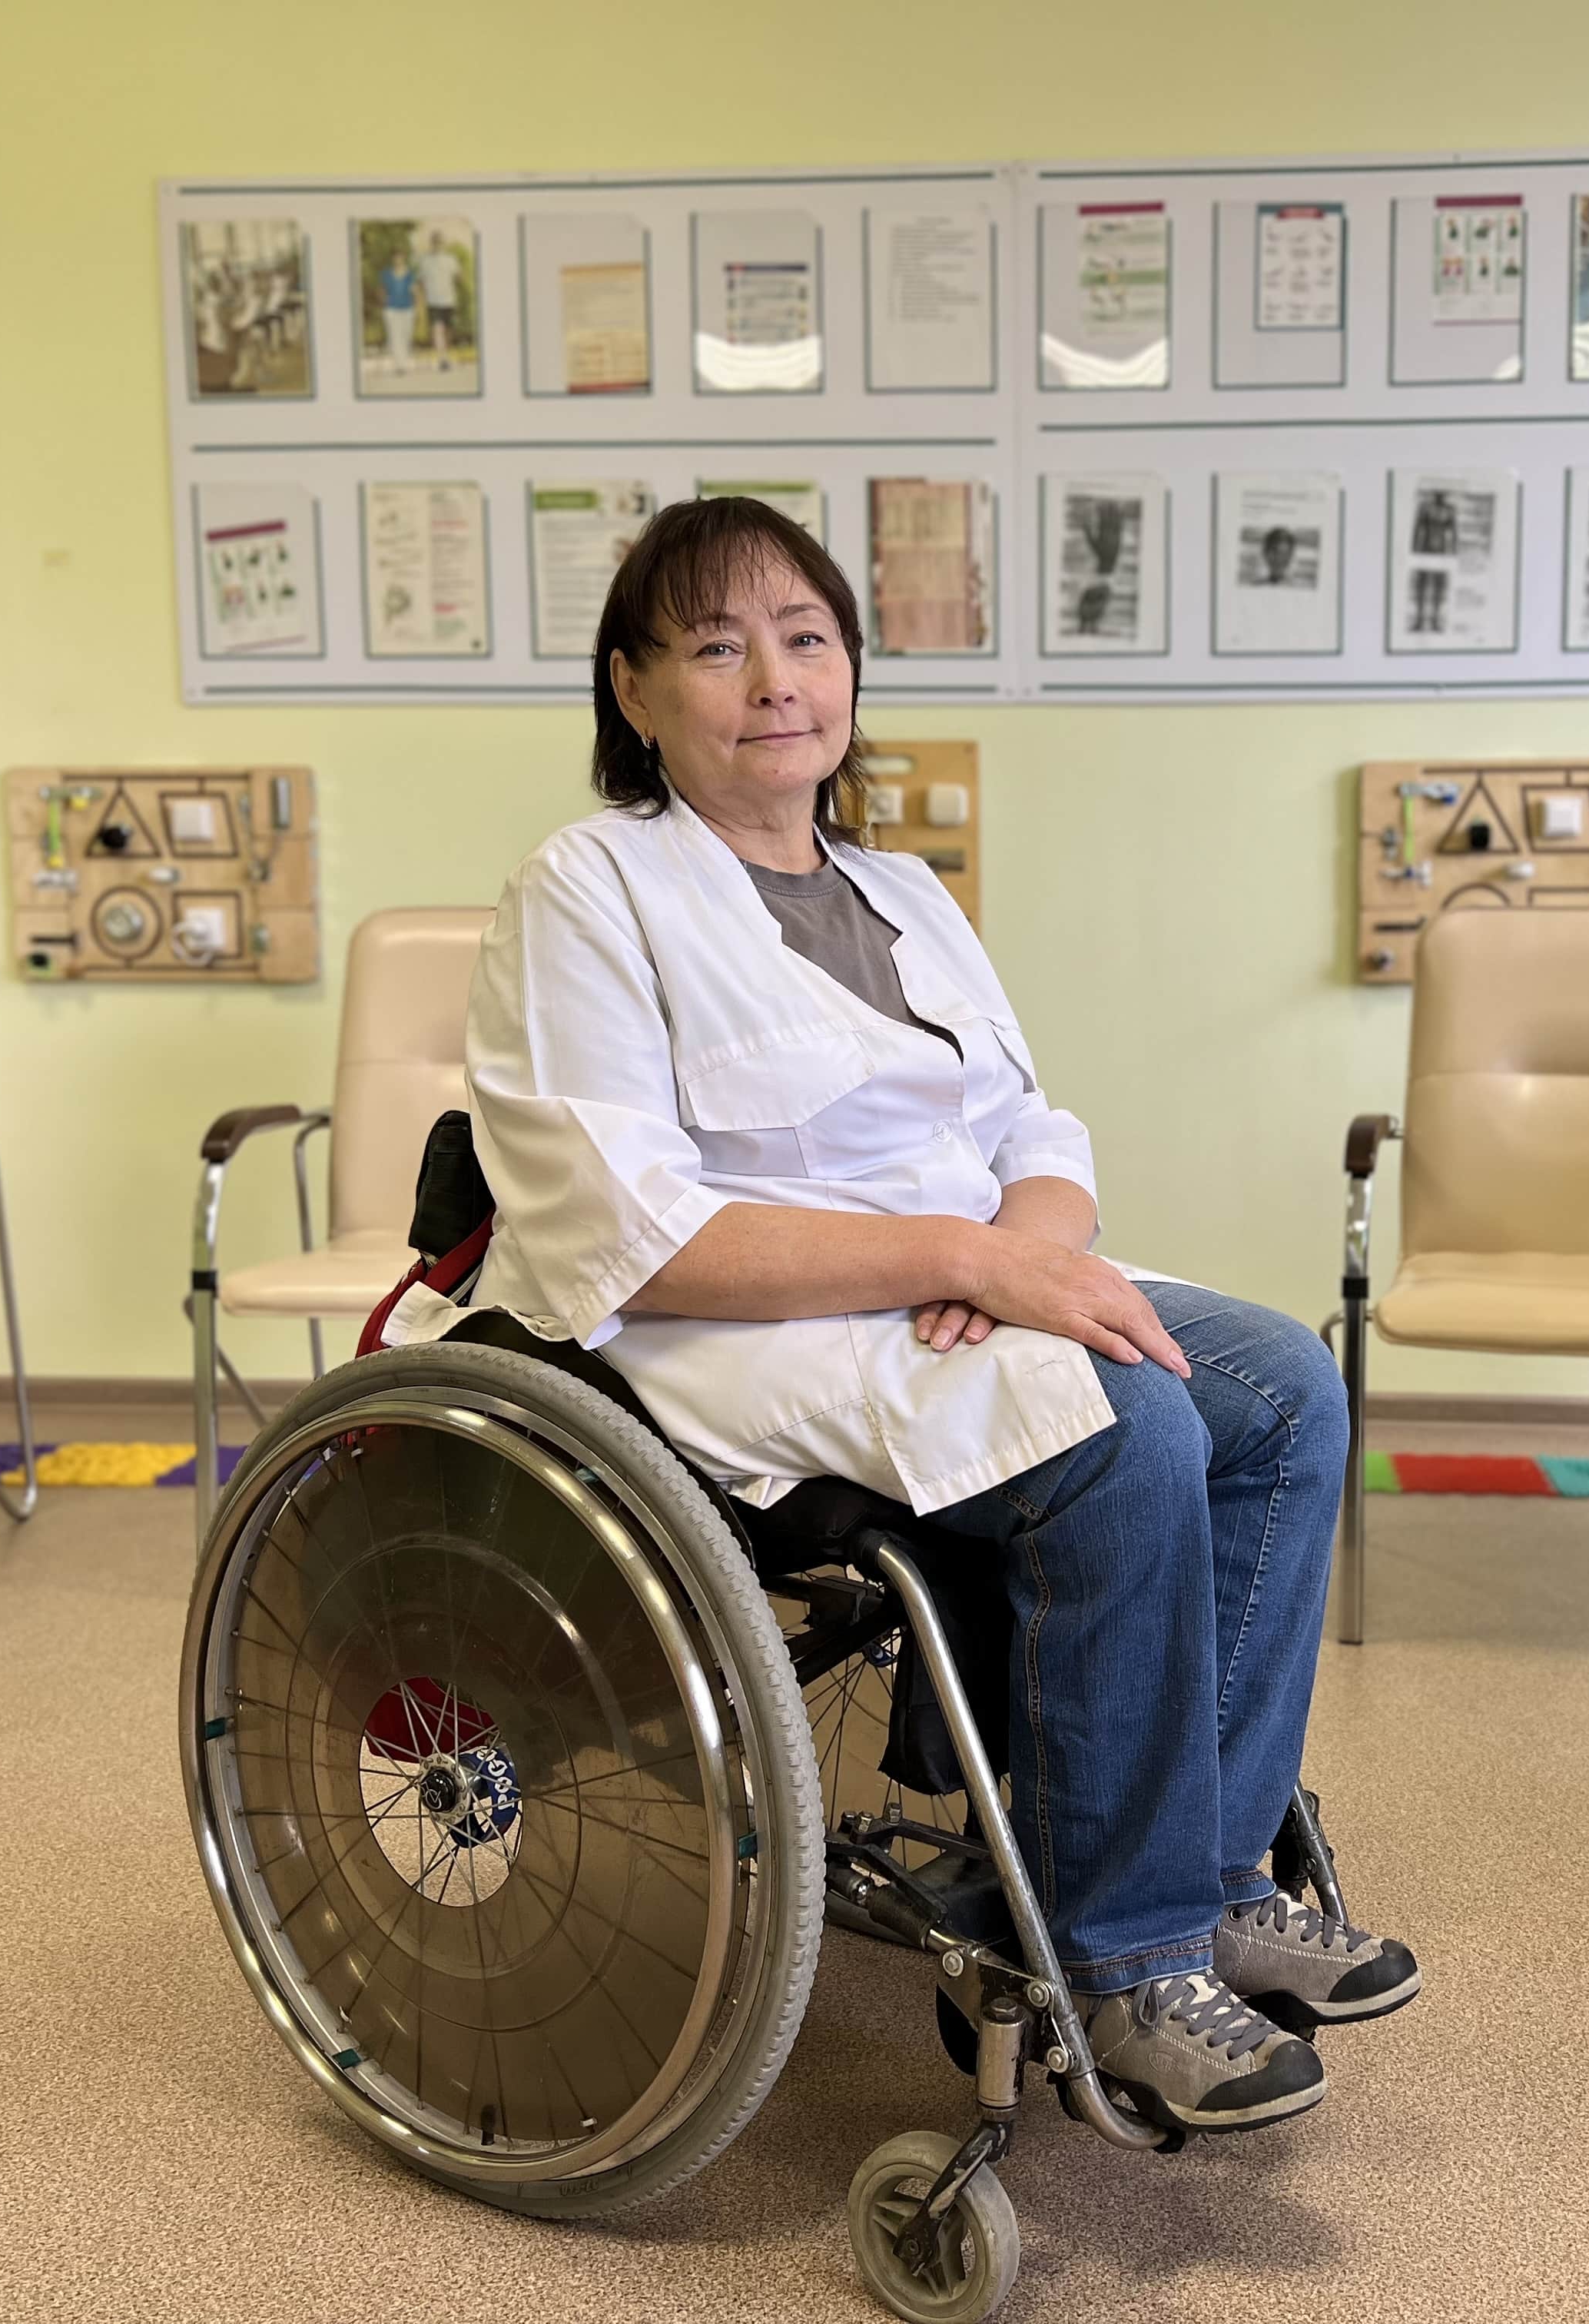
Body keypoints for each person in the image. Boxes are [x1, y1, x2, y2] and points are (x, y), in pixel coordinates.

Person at [402, 495, 1415, 2134]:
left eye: (806, 640)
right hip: (735, 1333)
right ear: (635, 691)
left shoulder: (903, 892)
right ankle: (1122, 1958)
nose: (774, 681)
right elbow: (632, 1234)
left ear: (851, 672)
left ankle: (1217, 1877)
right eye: (718, 648)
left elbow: (1032, 1129)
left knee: (1287, 1387)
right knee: (1126, 1425)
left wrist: (1022, 1248)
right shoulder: (588, 890)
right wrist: (962, 1263)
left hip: (954, 1286)